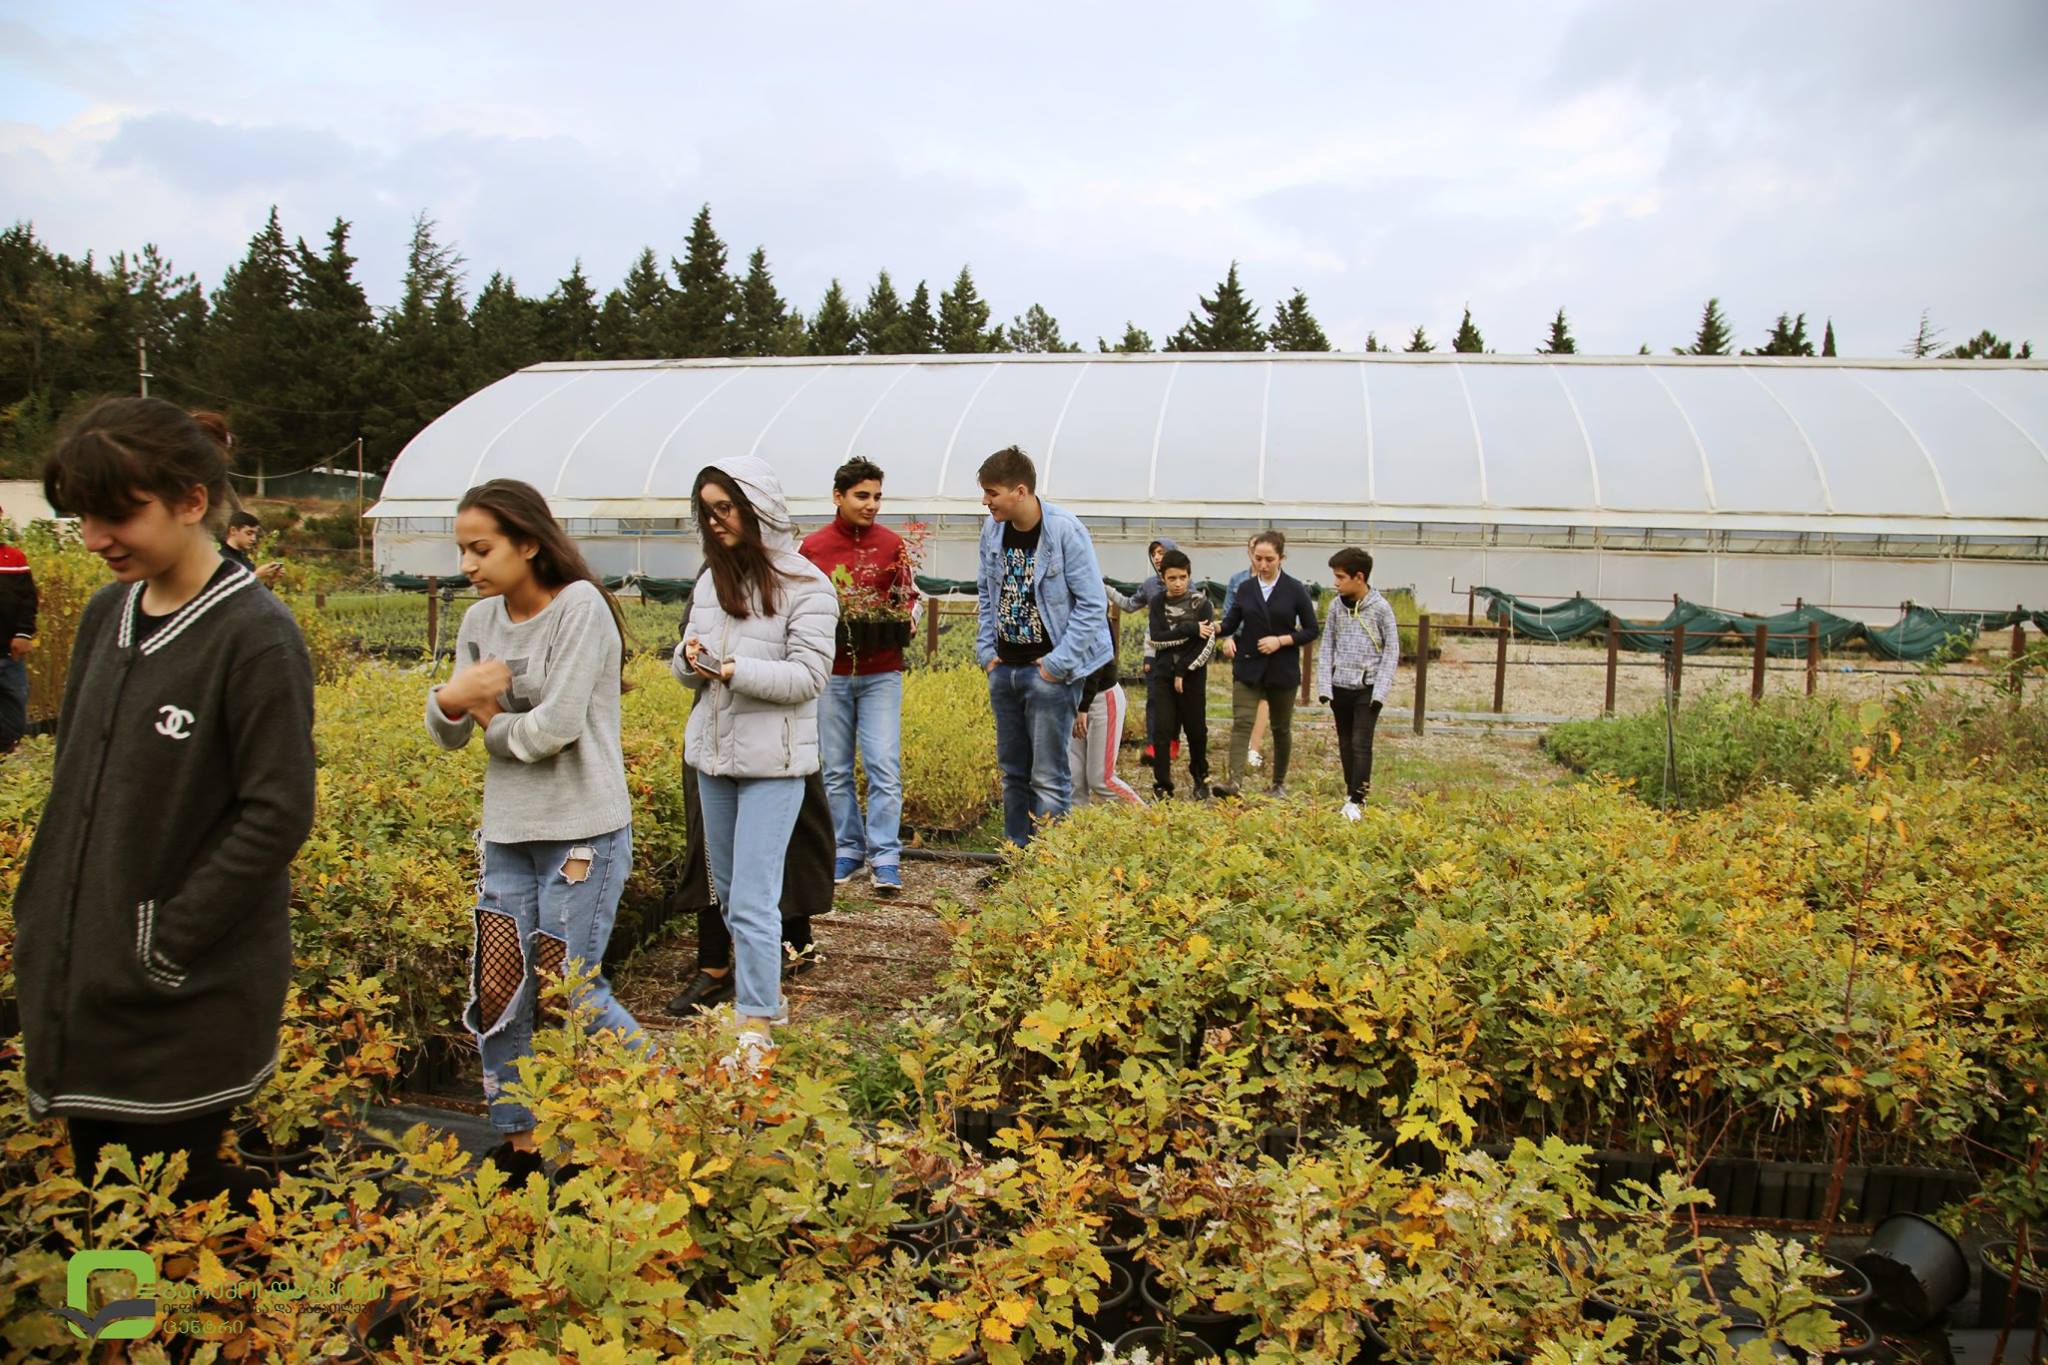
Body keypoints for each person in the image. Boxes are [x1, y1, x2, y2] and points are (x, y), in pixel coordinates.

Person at [14, 397, 315, 1210]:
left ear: (191, 501)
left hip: (173, 994)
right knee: (109, 1194)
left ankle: (249, 1255)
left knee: (152, 1209)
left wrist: (161, 943)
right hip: (88, 976)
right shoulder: (107, 612)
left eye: (118, 515)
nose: (94, 538)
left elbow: (277, 812)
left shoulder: (253, 635)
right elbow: (78, 780)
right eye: (83, 517)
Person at [425, 478, 646, 1181]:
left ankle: (662, 1102)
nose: (468, 565)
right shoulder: (478, 621)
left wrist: (484, 712)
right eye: (462, 550)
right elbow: (447, 731)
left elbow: (553, 730)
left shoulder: (580, 607)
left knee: (567, 992)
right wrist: (449, 700)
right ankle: (521, 1146)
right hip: (508, 834)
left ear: (527, 543)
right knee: (499, 989)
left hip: (582, 833)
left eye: (481, 548)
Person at [676, 457, 836, 1070]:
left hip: (774, 764)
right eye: (708, 510)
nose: (717, 521)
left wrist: (735, 670)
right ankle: (764, 1002)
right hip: (714, 758)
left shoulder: (807, 585)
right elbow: (686, 667)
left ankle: (756, 1024)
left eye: (727, 508)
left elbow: (808, 677)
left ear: (758, 508)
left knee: (752, 898)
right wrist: (688, 658)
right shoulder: (710, 582)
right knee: (728, 895)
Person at [974, 446, 1112, 848]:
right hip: (1005, 669)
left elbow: (1093, 604)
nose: (985, 501)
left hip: (1049, 674)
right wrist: (987, 653)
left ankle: (1047, 867)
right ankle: (1016, 861)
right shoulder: (992, 531)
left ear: (1020, 491)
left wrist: (1057, 664)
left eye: (992, 492)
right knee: (1013, 773)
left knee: (1049, 777)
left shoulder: (1065, 531)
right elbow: (986, 593)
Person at [799, 457, 915, 896]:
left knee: (884, 764)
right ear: (838, 496)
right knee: (835, 768)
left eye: (877, 497)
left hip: (881, 671)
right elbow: (800, 606)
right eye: (862, 496)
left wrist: (906, 619)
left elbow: (907, 598)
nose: (872, 505)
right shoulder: (813, 548)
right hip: (831, 672)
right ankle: (847, 848)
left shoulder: (892, 545)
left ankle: (885, 855)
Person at [665, 765, 833, 1014]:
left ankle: (793, 945)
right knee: (709, 841)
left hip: (781, 755)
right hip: (714, 752)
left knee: (790, 831)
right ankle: (715, 964)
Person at [1218, 532, 1319, 797]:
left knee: (1280, 727)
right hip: (1248, 666)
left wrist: (1282, 640)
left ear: (1281, 558)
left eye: (1269, 560)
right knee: (1242, 722)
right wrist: (1212, 628)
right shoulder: (1246, 588)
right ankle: (1234, 782)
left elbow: (1311, 629)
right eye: (1258, 558)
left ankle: (1278, 783)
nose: (1262, 565)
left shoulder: (1295, 589)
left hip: (1282, 668)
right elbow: (1230, 623)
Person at [1315, 548, 1401, 820]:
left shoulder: (1381, 608)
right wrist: (1324, 686)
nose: (1336, 583)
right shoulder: (1335, 607)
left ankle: (1357, 799)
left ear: (1359, 577)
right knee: (1344, 742)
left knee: (1361, 743)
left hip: (1368, 688)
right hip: (1340, 685)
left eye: (1341, 577)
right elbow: (1327, 644)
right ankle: (1350, 793)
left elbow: (1392, 650)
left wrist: (1380, 692)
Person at [1146, 548, 1219, 798]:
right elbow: (1157, 639)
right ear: (1162, 578)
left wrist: (1182, 670)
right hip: (1163, 675)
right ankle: (1163, 784)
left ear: (1189, 576)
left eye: (1182, 577)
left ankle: (1200, 777)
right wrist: (1189, 629)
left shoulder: (1202, 604)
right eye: (1172, 578)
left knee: (1196, 730)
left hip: (1192, 676)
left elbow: (1205, 645)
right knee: (1162, 730)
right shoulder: (1157, 603)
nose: (1178, 583)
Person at [1105, 538, 1176, 762]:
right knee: (1154, 698)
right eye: (1154, 553)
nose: (1157, 557)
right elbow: (1129, 605)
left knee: (1177, 700)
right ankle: (1153, 744)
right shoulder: (1150, 585)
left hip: (1178, 652)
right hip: (1154, 650)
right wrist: (1105, 589)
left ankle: (1172, 742)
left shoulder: (1184, 583)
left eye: (1161, 552)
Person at [1069, 624, 1143, 807]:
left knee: (1102, 779)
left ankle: (1149, 816)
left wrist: (1083, 706)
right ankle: (1079, 824)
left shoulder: (1093, 612)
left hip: (1102, 697)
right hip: (1071, 700)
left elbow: (1098, 660)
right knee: (1074, 778)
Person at [1227, 531, 1282, 771]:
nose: (1260, 561)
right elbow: (1229, 614)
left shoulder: (1283, 585)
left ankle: (1254, 747)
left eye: (1267, 557)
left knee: (1264, 698)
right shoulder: (1238, 581)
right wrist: (1227, 637)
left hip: (1269, 646)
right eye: (1255, 553)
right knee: (1244, 696)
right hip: (1243, 644)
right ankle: (1240, 749)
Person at [0, 505, 34, 755]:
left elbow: (27, 600)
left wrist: (23, 634)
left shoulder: (14, 559)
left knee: (14, 708)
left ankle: (6, 751)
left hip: (9, 654)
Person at [220, 509, 285, 587]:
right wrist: (256, 575)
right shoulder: (220, 560)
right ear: (233, 531)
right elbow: (227, 592)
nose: (253, 539)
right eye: (249, 533)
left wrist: (270, 582)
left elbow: (252, 593)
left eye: (255, 534)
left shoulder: (247, 561)